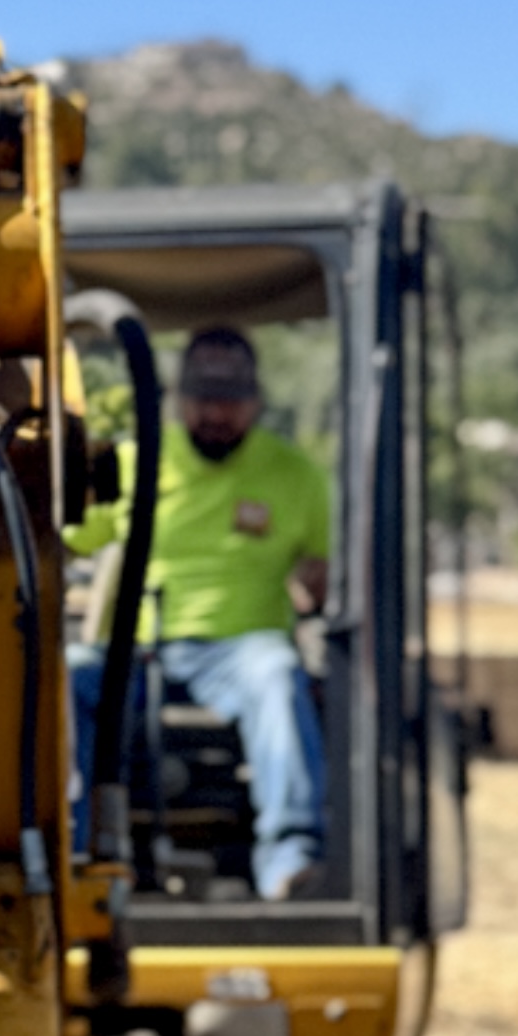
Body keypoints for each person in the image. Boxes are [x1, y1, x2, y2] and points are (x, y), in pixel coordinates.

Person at [75, 320, 332, 894]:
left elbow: (324, 573)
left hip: (242, 651)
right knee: (66, 679)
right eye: (204, 402)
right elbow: (64, 536)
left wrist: (322, 585)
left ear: (256, 402)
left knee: (277, 673)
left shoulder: (298, 477)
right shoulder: (135, 463)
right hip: (140, 652)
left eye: (231, 403)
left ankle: (289, 859)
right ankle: (71, 850)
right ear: (177, 401)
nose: (217, 416)